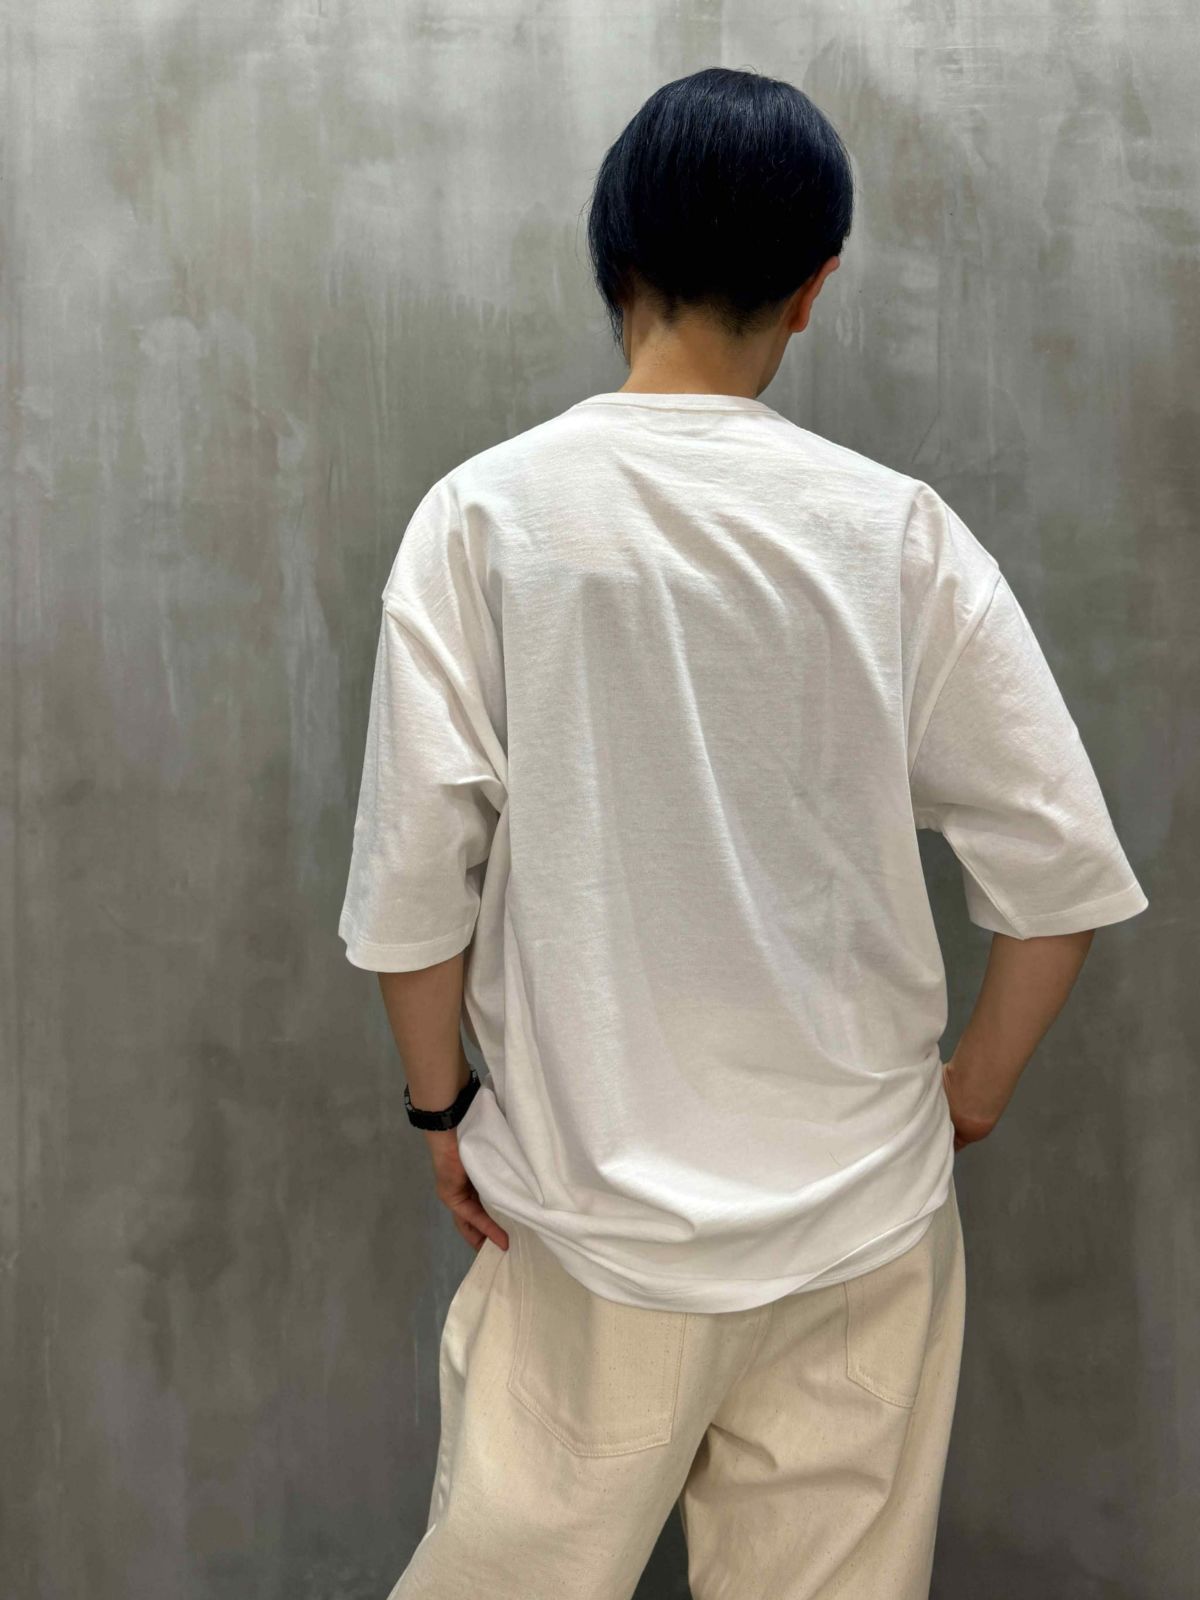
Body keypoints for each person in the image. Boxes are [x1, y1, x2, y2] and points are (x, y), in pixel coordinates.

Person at [337, 64, 1149, 1600]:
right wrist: (967, 1097)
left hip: (591, 1223)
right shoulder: (893, 533)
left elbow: (412, 890)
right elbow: (1058, 883)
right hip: (862, 1224)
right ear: (817, 286)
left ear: (613, 259)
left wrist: (442, 1111)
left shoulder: (486, 521)